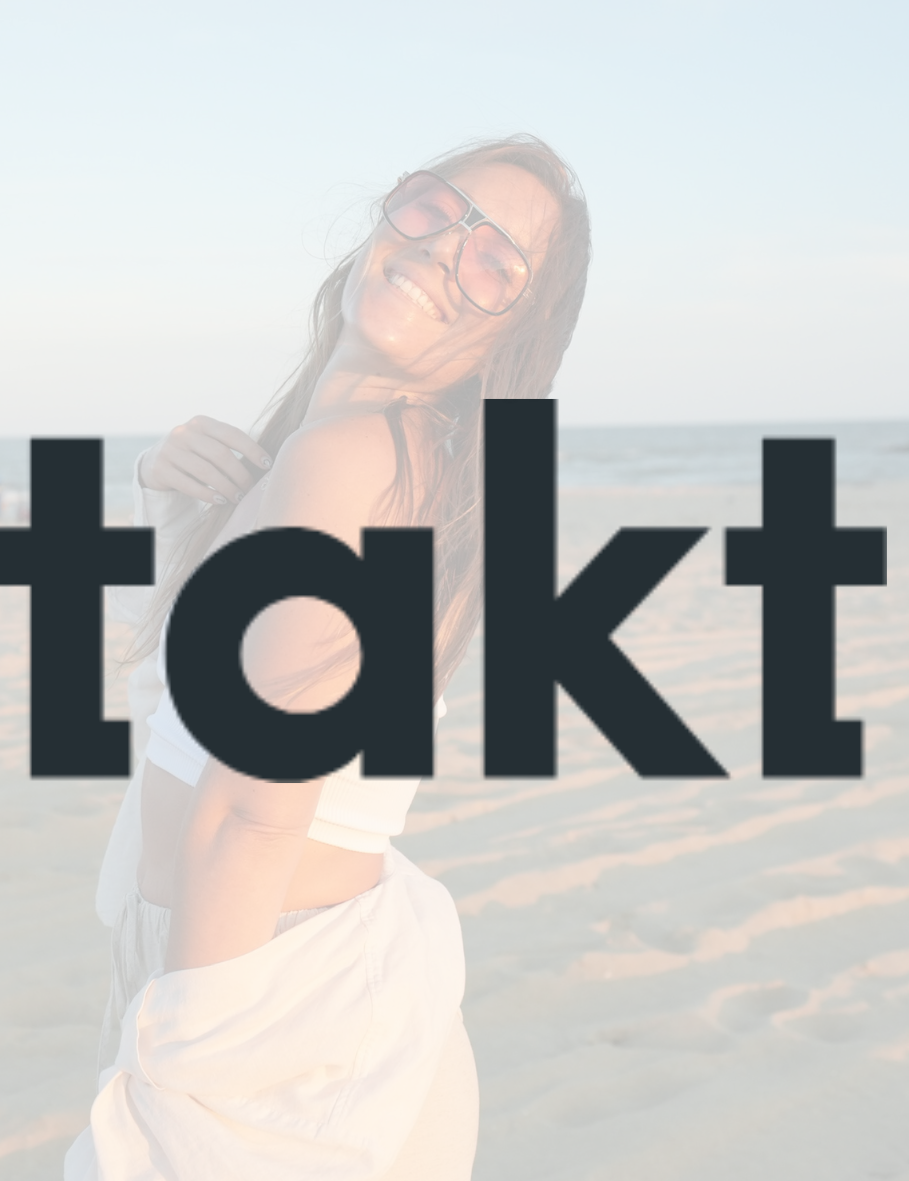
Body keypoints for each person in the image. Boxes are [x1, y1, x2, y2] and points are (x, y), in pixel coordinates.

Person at [67, 134, 591, 1181]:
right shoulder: (339, 444)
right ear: (382, 217)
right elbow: (182, 675)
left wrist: (191, 1067)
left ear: (512, 335)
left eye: (493, 261)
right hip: (258, 960)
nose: (444, 248)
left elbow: (259, 805)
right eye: (432, 208)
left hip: (268, 1000)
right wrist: (168, 502)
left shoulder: (357, 456)